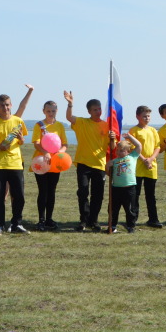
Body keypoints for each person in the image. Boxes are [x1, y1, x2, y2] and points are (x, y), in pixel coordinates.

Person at [0, 86, 34, 235]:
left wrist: (20, 139)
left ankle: (16, 224)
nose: (5, 107)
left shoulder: (18, 121)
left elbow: (21, 141)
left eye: (7, 104)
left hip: (16, 163)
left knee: (19, 196)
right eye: (2, 105)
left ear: (11, 105)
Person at [65, 91, 109, 232]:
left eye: (99, 109)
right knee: (83, 192)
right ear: (89, 111)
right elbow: (69, 117)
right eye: (95, 109)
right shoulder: (82, 122)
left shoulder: (107, 125)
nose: (98, 111)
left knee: (98, 194)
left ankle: (94, 221)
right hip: (83, 163)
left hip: (100, 164)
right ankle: (84, 220)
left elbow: (112, 146)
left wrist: (113, 137)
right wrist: (70, 104)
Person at [30, 100, 69, 231]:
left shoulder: (60, 126)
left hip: (55, 163)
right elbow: (36, 143)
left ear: (56, 111)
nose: (50, 113)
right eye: (48, 111)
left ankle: (49, 219)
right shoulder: (39, 125)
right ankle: (41, 219)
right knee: (43, 191)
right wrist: (45, 152)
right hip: (41, 162)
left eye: (53, 111)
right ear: (44, 111)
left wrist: (61, 152)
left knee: (51, 191)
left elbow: (64, 144)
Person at [128, 105, 162, 228]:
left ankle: (153, 219)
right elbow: (132, 148)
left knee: (151, 194)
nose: (146, 118)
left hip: (151, 167)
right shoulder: (134, 131)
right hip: (138, 167)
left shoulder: (153, 130)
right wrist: (143, 160)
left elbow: (158, 146)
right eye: (144, 116)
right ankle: (133, 219)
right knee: (135, 195)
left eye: (148, 116)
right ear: (138, 116)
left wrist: (151, 159)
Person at [107, 132, 143, 233]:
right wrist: (107, 166)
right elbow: (109, 174)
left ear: (128, 151)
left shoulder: (132, 157)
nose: (118, 152)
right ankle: (112, 226)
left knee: (130, 209)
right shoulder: (114, 161)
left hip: (129, 188)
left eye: (122, 151)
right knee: (113, 209)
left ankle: (130, 226)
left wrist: (129, 137)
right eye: (117, 150)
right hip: (116, 188)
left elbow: (139, 145)